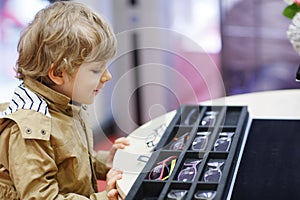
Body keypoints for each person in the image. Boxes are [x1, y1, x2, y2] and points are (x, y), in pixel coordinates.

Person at [0, 1, 130, 199]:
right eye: (96, 70)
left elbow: (71, 163)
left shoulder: (65, 103)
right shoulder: (29, 130)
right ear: (59, 73)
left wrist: (106, 163)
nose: (107, 77)